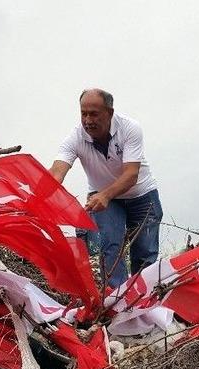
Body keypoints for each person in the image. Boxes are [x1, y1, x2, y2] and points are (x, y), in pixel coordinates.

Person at [50, 88, 163, 288]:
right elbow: (56, 173)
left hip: (141, 195)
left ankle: (145, 296)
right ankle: (115, 296)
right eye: (84, 114)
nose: (88, 120)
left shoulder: (130, 128)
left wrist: (105, 195)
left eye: (94, 114)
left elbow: (131, 174)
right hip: (104, 199)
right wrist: (34, 195)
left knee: (145, 253)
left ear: (109, 113)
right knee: (110, 246)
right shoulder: (75, 138)